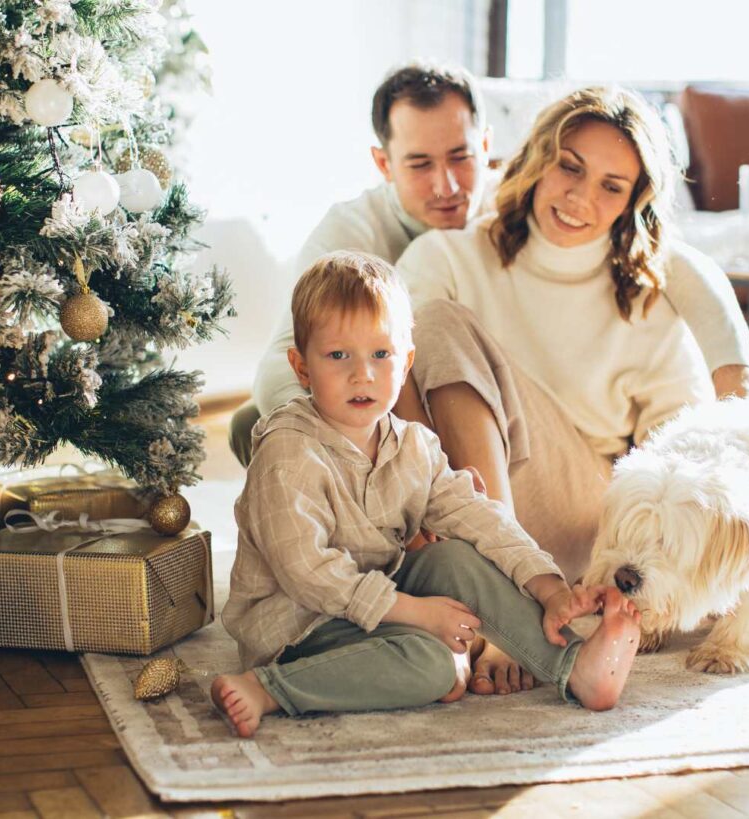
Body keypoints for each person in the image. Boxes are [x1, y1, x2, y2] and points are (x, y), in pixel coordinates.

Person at [395, 86, 749, 694]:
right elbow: (387, 364)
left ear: (634, 200)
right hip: (462, 495)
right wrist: (413, 483)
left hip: (590, 522)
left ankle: (502, 610)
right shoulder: (448, 255)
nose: (582, 198)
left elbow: (691, 453)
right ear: (536, 159)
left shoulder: (646, 294)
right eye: (570, 167)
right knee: (426, 326)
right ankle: (491, 591)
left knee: (440, 325)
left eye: (613, 186)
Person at [212, 252, 642, 738]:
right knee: (433, 667)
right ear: (301, 367)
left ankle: (573, 665)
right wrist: (415, 613)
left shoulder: (414, 446)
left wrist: (549, 586)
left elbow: (481, 517)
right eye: (338, 356)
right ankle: (270, 688)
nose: (363, 375)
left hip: (381, 597)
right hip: (300, 625)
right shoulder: (288, 451)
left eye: (381, 355)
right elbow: (310, 576)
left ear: (406, 361)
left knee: (457, 557)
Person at [229, 62, 492, 465]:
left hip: (484, 402)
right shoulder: (349, 233)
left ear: (486, 147)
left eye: (461, 157)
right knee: (253, 422)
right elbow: (280, 366)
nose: (447, 186)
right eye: (420, 165)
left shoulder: (513, 216)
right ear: (383, 164)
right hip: (382, 411)